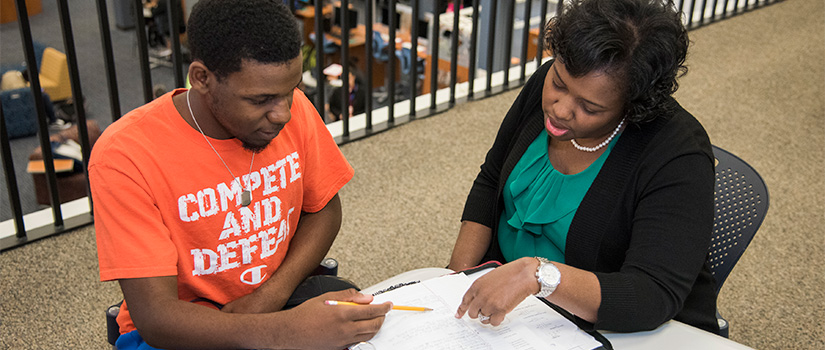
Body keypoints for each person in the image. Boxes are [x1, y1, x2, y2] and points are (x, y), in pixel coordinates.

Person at [90, 1, 391, 349]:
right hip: (181, 329)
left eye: (291, 90)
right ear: (202, 78)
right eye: (261, 99)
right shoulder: (125, 155)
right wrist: (285, 332)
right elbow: (157, 317)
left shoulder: (292, 110)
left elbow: (324, 208)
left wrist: (268, 298)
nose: (282, 114)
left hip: (270, 297)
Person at [449, 0, 719, 335]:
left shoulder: (678, 155)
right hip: (518, 313)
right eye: (559, 83)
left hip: (617, 329)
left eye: (589, 107)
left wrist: (539, 277)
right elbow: (491, 180)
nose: (560, 110)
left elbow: (651, 295)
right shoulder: (543, 87)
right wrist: (455, 282)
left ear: (633, 105)